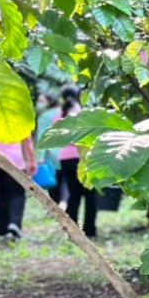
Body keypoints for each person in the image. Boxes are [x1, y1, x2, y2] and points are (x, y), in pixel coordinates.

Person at [56, 84, 98, 238]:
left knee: (73, 196)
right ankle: (90, 230)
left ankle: (72, 232)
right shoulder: (82, 114)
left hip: (65, 159)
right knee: (90, 196)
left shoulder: (59, 116)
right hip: (83, 159)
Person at [0, 135, 37, 242]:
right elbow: (27, 140)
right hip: (15, 161)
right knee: (17, 194)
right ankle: (14, 223)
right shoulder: (18, 118)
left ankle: (2, 230)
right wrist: (32, 161)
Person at [34, 92, 64, 204]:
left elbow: (42, 137)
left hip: (52, 156)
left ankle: (59, 207)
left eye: (42, 101)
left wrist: (39, 157)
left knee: (55, 186)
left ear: (50, 102)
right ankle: (65, 205)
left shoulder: (45, 117)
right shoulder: (64, 112)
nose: (38, 104)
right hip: (68, 154)